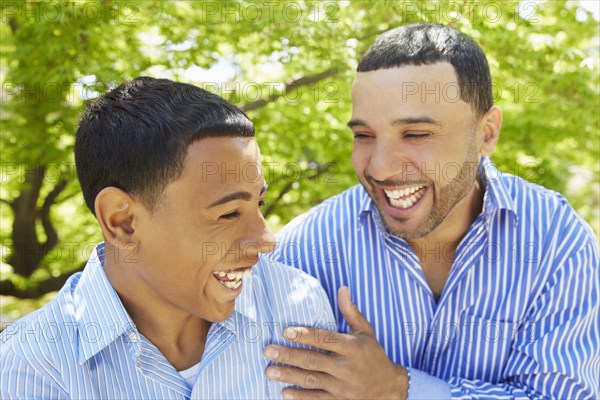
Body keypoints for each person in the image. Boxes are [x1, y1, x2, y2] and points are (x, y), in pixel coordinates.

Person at [265, 23, 600, 399]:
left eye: (416, 134)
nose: (380, 168)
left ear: (487, 133)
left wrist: (396, 388)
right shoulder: (299, 251)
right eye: (363, 136)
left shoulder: (556, 239)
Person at [0, 77, 336, 399]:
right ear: (123, 222)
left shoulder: (297, 304)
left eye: (258, 203)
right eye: (229, 213)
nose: (266, 240)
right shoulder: (32, 366)